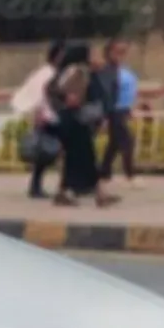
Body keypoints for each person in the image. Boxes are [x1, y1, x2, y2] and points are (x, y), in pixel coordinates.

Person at [46, 42, 118, 208]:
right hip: (77, 121)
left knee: (76, 159)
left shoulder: (62, 72)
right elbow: (87, 95)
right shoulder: (79, 71)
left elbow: (51, 91)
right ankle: (98, 193)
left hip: (69, 120)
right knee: (85, 158)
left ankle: (69, 192)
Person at [11, 40, 64, 197]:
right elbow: (38, 95)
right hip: (48, 118)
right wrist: (39, 112)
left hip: (53, 117)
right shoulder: (47, 74)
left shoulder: (54, 73)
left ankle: (40, 186)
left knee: (49, 153)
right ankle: (38, 187)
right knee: (46, 152)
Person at [99, 38, 142, 188]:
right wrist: (104, 115)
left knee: (114, 144)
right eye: (118, 52)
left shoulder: (124, 70)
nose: (121, 55)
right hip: (114, 111)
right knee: (127, 141)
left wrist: (130, 108)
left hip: (123, 109)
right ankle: (130, 175)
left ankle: (104, 173)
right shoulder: (107, 71)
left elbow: (128, 91)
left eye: (124, 52)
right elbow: (106, 93)